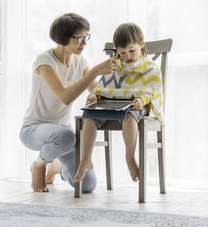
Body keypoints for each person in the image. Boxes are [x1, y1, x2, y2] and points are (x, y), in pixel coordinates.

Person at [19, 13, 116, 193]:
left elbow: (95, 90)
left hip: (63, 133)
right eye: (79, 38)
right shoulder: (45, 61)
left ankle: (57, 168)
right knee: (66, 136)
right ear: (63, 38)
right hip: (34, 129)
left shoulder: (80, 61)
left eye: (86, 37)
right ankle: (39, 164)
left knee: (87, 186)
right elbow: (65, 97)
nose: (84, 43)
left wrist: (98, 95)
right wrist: (94, 71)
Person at [74, 22, 164, 183]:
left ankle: (129, 157)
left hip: (135, 106)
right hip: (111, 105)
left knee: (129, 116)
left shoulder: (150, 68)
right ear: (117, 50)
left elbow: (153, 91)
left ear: (141, 44)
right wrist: (96, 97)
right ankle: (86, 159)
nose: (128, 56)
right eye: (122, 52)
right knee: (89, 114)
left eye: (132, 50)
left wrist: (141, 100)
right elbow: (104, 88)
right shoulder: (114, 67)